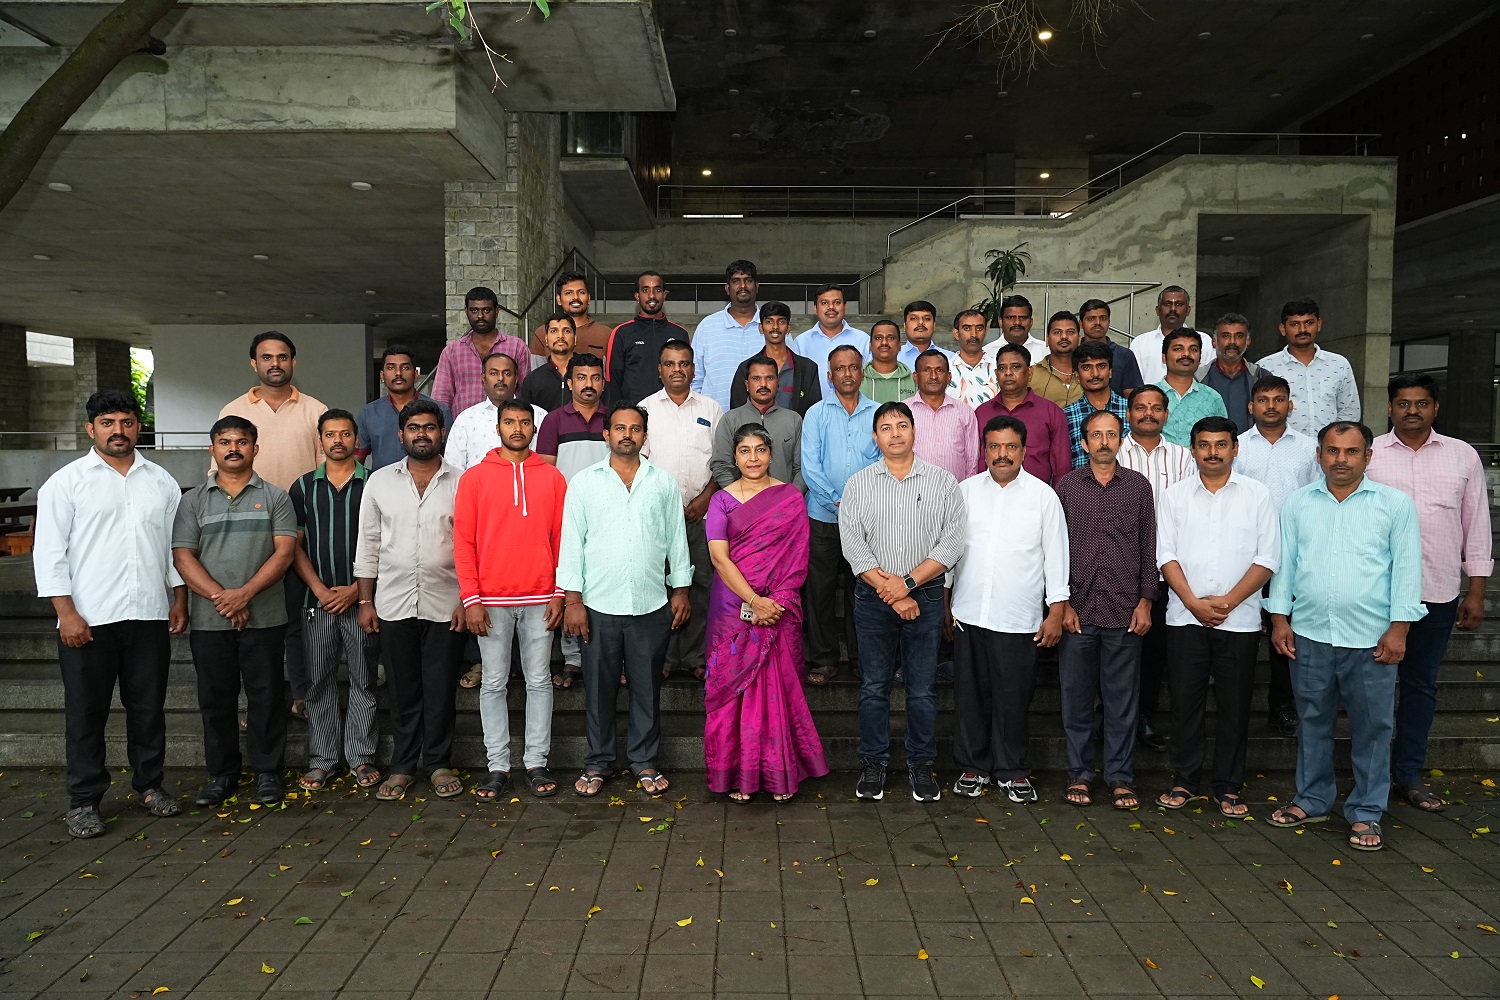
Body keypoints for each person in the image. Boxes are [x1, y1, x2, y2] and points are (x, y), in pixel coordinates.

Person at [35, 389, 189, 838]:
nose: (117, 431)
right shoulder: (66, 483)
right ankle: (84, 800)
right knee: (86, 713)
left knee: (148, 708)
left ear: (138, 427)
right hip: (89, 618)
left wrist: (179, 598)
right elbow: (49, 554)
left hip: (148, 614)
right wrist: (66, 613)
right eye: (107, 423)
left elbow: (172, 549)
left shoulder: (160, 481)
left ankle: (149, 786)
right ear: (91, 429)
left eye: (126, 422)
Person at [1266, 421, 1425, 852]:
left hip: (1372, 639)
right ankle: (1312, 799)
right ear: (1318, 455)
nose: (1341, 459)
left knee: (1373, 728)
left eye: (1351, 451)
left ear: (1368, 456)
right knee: (1312, 721)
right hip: (1310, 633)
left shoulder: (1394, 505)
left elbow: (1407, 570)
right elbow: (1285, 565)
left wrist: (1399, 628)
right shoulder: (1298, 503)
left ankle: (1367, 810)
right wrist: (1279, 619)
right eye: (1333, 450)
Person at [1367, 372, 1493, 812]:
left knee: (1420, 685)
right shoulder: (1370, 454)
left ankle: (1408, 773)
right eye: (1403, 403)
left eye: (1421, 403)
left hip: (1436, 591)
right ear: (1390, 409)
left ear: (1435, 408)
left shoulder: (1462, 456)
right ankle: (1371, 776)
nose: (1412, 411)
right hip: (1376, 593)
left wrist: (1476, 591)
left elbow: (1476, 524)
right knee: (1372, 688)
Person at [560, 403, 693, 799]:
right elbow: (572, 544)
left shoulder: (662, 482)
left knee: (646, 688)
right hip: (598, 605)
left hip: (650, 604)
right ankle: (597, 762)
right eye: (619, 428)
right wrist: (573, 600)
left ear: (644, 436)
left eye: (635, 429)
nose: (627, 435)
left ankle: (644, 761)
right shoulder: (584, 483)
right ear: (606, 434)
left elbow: (677, 539)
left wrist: (681, 590)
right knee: (599, 690)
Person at [841, 402, 967, 802]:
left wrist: (907, 584)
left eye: (901, 425)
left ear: (914, 431)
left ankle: (921, 765)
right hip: (873, 598)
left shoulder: (943, 482)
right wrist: (893, 594)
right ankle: (873, 763)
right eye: (886, 427)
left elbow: (951, 544)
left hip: (925, 597)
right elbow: (853, 547)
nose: (895, 433)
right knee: (874, 686)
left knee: (922, 689)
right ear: (875, 437)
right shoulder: (858, 484)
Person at [1155, 416, 1279, 819]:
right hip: (1184, 618)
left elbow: (1267, 558)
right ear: (1192, 450)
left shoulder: (1258, 495)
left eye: (1221, 444)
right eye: (1205, 445)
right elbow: (1165, 555)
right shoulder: (1174, 496)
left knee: (1235, 706)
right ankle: (1185, 780)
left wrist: (1226, 603)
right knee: (1185, 704)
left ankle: (1228, 786)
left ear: (1235, 448)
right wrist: (1193, 602)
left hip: (1239, 621)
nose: (1213, 452)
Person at [173, 415, 298, 807]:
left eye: (241, 442)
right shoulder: (192, 500)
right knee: (216, 699)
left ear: (254, 448)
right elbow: (183, 557)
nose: (233, 449)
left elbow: (284, 553)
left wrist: (244, 594)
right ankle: (223, 774)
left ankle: (268, 772)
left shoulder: (276, 497)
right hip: (210, 620)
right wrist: (223, 599)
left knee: (266, 696)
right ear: (212, 449)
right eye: (225, 442)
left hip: (266, 616)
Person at [704, 424, 828, 802]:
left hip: (780, 605)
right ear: (734, 457)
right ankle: (735, 775)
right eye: (745, 451)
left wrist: (776, 600)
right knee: (731, 691)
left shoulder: (789, 498)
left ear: (771, 454)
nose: (753, 458)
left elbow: (798, 555)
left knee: (780, 690)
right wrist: (754, 601)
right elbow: (719, 558)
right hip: (733, 607)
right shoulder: (721, 500)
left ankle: (777, 773)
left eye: (760, 450)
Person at [948, 415, 1068, 803]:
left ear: (1024, 450)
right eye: (995, 446)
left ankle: (1013, 770)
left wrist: (1056, 610)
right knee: (971, 697)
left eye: (1011, 446)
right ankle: (973, 766)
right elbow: (949, 550)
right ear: (984, 451)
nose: (1003, 454)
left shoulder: (1043, 497)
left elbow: (1057, 557)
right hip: (968, 614)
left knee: (1013, 698)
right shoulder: (964, 492)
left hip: (1018, 618)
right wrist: (945, 601)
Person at [454, 400, 568, 800]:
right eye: (509, 422)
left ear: (534, 428)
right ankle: (498, 766)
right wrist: (471, 599)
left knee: (539, 681)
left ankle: (536, 762)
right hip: (490, 600)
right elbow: (463, 542)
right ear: (498, 427)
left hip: (541, 597)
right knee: (493, 683)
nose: (517, 428)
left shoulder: (552, 477)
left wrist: (560, 593)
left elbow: (562, 539)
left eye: (524, 422)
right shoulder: (474, 478)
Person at [354, 401, 467, 802]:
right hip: (393, 601)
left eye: (430, 427)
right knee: (402, 690)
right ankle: (402, 765)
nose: (422, 434)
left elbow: (472, 545)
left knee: (440, 688)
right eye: (414, 428)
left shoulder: (463, 482)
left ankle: (437, 763)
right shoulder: (379, 482)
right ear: (401, 435)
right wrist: (365, 601)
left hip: (447, 603)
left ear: (442, 434)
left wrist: (467, 599)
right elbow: (367, 544)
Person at [1054, 410, 1157, 811]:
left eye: (1111, 435)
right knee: (1076, 700)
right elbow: (1054, 548)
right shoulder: (1066, 487)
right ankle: (1079, 774)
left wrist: (1146, 601)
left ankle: (1119, 777)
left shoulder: (1138, 487)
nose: (1103, 442)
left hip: (1125, 610)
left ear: (1120, 440)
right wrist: (1061, 604)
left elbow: (1149, 546)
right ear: (1084, 443)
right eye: (1096, 435)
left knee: (1122, 702)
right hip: (1077, 612)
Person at [220, 331, 324, 717]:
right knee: (254, 622)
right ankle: (259, 705)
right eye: (266, 357)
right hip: (249, 532)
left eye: (282, 357)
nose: (275, 364)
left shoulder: (315, 410)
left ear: (293, 362)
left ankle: (302, 695)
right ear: (254, 363)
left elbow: (325, 474)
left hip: (301, 531)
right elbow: (220, 476)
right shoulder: (233, 411)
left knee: (297, 619)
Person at [288, 409, 381, 793]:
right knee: (319, 681)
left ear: (355, 439)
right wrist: (321, 590)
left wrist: (358, 591)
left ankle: (361, 756)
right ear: (320, 440)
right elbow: (293, 546)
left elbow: (385, 542)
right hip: (318, 602)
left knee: (363, 679)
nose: (338, 440)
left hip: (363, 601)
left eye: (345, 434)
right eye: (330, 434)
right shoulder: (302, 487)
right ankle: (323, 759)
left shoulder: (374, 483)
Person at [1234, 375, 1319, 739]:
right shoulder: (1236, 446)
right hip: (1244, 557)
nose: (1271, 406)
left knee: (1287, 634)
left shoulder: (1309, 448)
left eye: (1278, 399)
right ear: (1251, 406)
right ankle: (1234, 706)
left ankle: (1283, 706)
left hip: (1292, 557)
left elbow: (1317, 497)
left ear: (1290, 405)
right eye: (1263, 399)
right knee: (1241, 635)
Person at [1116, 385, 1195, 753]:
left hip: (1166, 573)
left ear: (1166, 414)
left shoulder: (1183, 458)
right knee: (1116, 650)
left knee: (1152, 652)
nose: (1148, 413)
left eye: (1156, 408)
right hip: (1119, 570)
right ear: (1128, 413)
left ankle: (1143, 716)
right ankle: (1112, 715)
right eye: (1140, 407)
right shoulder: (1113, 451)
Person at [639, 340, 723, 682]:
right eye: (670, 364)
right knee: (660, 587)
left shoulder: (711, 408)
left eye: (684, 363)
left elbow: (722, 461)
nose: (677, 370)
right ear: (659, 370)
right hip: (658, 518)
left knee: (701, 586)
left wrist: (705, 499)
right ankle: (663, 657)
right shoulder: (645, 409)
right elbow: (638, 463)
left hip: (701, 515)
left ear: (693, 369)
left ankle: (693, 657)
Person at [800, 345, 880, 685]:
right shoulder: (816, 414)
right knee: (819, 592)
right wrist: (837, 501)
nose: (847, 374)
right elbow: (810, 466)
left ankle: (863, 659)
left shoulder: (877, 414)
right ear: (829, 376)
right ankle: (824, 660)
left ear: (863, 372)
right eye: (840, 368)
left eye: (853, 367)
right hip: (822, 516)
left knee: (863, 592)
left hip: (866, 522)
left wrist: (858, 506)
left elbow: (883, 462)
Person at [535, 353, 610, 687]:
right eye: (581, 377)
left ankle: (609, 656)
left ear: (603, 383)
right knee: (570, 583)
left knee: (605, 585)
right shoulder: (554, 421)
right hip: (567, 516)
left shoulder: (614, 418)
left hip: (609, 515)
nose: (588, 384)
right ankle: (572, 658)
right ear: (569, 383)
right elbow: (546, 473)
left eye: (595, 377)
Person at [1256, 297, 1362, 436]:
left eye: (1309, 323)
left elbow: (1350, 412)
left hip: (1328, 447)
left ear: (1319, 324)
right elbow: (1258, 412)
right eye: (1294, 324)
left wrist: (1333, 441)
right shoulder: (1265, 367)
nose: (1302, 330)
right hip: (1282, 445)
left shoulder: (1338, 364)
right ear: (1283, 329)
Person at [973, 342, 1070, 485]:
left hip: (1036, 495)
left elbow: (1062, 467)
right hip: (988, 494)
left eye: (1015, 367)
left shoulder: (1051, 412)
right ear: (996, 374)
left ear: (1030, 372)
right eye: (1002, 368)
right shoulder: (981, 413)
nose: (1008, 373)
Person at [431, 285, 532, 415]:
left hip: (508, 423)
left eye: (486, 310)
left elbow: (524, 392)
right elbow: (442, 397)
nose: (480, 316)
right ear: (466, 311)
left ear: (497, 311)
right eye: (474, 310)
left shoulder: (517, 347)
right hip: (464, 425)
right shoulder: (451, 351)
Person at [446, 350, 547, 471]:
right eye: (493, 373)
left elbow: (548, 465)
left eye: (507, 374)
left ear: (516, 379)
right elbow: (453, 469)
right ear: (483, 378)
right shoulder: (466, 419)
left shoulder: (539, 416)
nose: (500, 378)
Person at [713, 355, 805, 489]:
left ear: (778, 383)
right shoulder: (730, 420)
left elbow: (802, 468)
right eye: (756, 378)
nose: (763, 384)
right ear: (747, 384)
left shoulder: (794, 420)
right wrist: (739, 496)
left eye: (769, 378)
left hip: (786, 499)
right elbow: (721, 466)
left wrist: (790, 496)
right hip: (741, 499)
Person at [355, 345, 451, 472]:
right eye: (391, 368)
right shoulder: (368, 414)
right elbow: (356, 462)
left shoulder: (440, 411)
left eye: (405, 368)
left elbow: (451, 458)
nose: (398, 373)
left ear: (416, 374)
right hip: (383, 483)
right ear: (382, 375)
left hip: (431, 482)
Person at [606, 271, 689, 406]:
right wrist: (619, 412)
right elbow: (613, 380)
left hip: (673, 411)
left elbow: (688, 375)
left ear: (664, 295)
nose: (652, 295)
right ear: (637, 296)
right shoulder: (621, 333)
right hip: (634, 413)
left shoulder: (680, 333)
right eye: (645, 290)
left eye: (657, 290)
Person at [691, 259, 763, 410]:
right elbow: (695, 378)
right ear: (727, 288)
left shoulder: (773, 325)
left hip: (764, 417)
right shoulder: (707, 326)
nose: (743, 286)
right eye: (736, 281)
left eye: (748, 280)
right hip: (716, 416)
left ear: (757, 286)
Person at [729, 301, 822, 416]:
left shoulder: (807, 368)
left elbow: (814, 413)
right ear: (761, 328)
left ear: (788, 328)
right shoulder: (746, 368)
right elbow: (737, 412)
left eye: (781, 321)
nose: (775, 327)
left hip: (795, 428)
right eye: (769, 321)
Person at [909, 350, 979, 483]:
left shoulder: (965, 412)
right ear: (916, 377)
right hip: (912, 491)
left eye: (939, 370)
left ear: (949, 376)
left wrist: (967, 490)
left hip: (955, 491)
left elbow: (972, 460)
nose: (933, 376)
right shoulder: (903, 412)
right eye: (927, 370)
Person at [1063, 340, 1130, 469]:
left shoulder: (1131, 410)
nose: (1095, 374)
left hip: (1126, 480)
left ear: (1110, 371)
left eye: (1101, 366)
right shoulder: (1066, 416)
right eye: (1087, 367)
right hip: (1080, 481)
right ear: (1077, 376)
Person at [1129, 286, 1214, 385]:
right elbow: (1133, 383)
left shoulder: (1204, 341)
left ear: (1188, 310)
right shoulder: (1140, 343)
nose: (1173, 309)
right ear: (1157, 310)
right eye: (1167, 304)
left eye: (1179, 304)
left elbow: (1209, 379)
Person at [1158, 327, 1227, 446]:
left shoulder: (1212, 398)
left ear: (1200, 359)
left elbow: (1223, 439)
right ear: (1164, 358)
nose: (1186, 354)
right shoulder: (1149, 396)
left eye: (1193, 349)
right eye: (1178, 349)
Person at [790, 283, 870, 387]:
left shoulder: (863, 340)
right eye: (824, 303)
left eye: (837, 302)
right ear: (815, 308)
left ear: (845, 306)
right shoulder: (801, 342)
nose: (831, 307)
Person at [1196, 314, 1259, 433]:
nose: (1232, 342)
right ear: (1214, 342)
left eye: (1239, 336)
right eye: (1225, 336)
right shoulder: (1197, 378)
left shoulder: (1260, 377)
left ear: (1248, 341)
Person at [528, 271, 612, 357]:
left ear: (589, 298)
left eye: (581, 292)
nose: (575, 297)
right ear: (559, 299)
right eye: (568, 293)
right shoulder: (543, 333)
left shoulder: (606, 334)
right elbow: (537, 365)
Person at [1078, 298, 1144, 393]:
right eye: (1091, 319)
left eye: (1103, 318)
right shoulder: (1073, 353)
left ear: (1109, 322)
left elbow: (1132, 396)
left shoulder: (1124, 355)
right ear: (1081, 324)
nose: (1098, 323)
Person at [517, 312, 576, 412]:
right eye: (554, 331)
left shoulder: (588, 374)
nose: (560, 336)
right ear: (546, 340)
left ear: (575, 339)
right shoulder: (533, 380)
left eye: (566, 331)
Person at [1029, 310, 1084, 408]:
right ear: (1047, 340)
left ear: (1079, 340)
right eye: (1057, 332)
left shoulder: (1090, 373)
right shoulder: (1031, 375)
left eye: (1070, 332)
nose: (1064, 337)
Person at [948, 309, 1001, 408]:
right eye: (967, 328)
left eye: (979, 328)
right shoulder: (945, 371)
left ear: (985, 332)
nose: (974, 334)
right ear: (956, 334)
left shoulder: (999, 369)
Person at [982, 294, 1048, 365]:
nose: (1017, 322)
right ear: (1001, 322)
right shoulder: (987, 353)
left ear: (1031, 322)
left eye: (1023, 317)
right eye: (1011, 317)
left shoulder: (1046, 351)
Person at [862, 319, 917, 403]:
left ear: (899, 345)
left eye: (891, 338)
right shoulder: (858, 380)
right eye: (878, 338)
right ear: (870, 345)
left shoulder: (914, 381)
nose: (884, 342)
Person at [898, 300, 955, 369]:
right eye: (913, 318)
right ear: (905, 326)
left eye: (927, 319)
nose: (920, 322)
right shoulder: (893, 357)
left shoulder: (951, 359)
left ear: (934, 325)